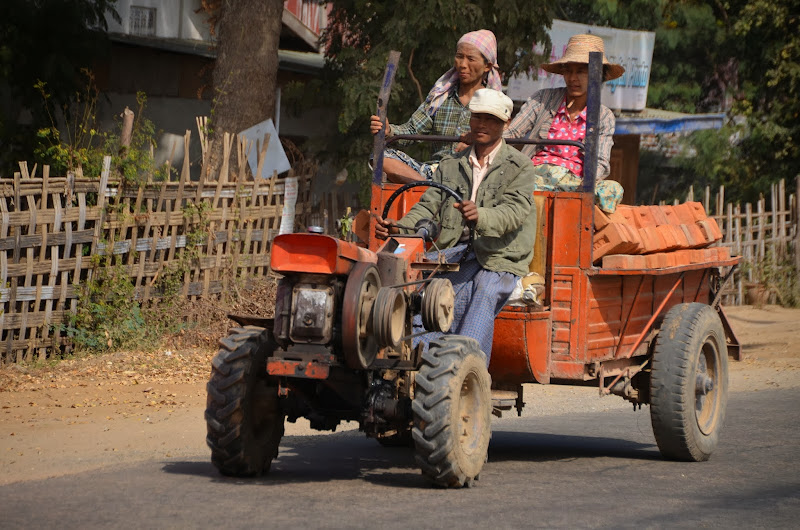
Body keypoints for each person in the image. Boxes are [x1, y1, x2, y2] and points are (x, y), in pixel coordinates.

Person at [375, 89, 536, 364]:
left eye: (491, 119)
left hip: (500, 258)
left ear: (505, 124)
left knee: (484, 290)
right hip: (457, 252)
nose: (482, 124)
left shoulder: (519, 166)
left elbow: (514, 212)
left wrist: (480, 215)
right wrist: (398, 228)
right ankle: (418, 358)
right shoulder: (451, 165)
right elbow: (427, 206)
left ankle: (467, 366)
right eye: (478, 117)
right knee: (422, 290)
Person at [504, 34, 625, 213]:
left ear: (597, 75)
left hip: (576, 182)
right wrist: (482, 141)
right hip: (536, 175)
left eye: (581, 71)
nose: (572, 78)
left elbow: (601, 162)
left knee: (613, 189)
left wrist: (584, 187)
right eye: (568, 71)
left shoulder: (604, 116)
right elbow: (512, 132)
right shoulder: (543, 98)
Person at [370, 29, 502, 184]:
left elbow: (501, 144)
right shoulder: (440, 97)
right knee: (380, 157)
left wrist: (478, 141)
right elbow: (413, 130)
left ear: (487, 66)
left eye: (471, 59)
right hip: (435, 172)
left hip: (473, 176)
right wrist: (389, 131)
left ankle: (429, 192)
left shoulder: (494, 105)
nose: (463, 64)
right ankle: (430, 191)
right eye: (459, 57)